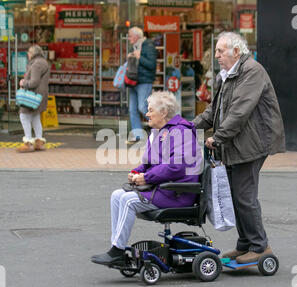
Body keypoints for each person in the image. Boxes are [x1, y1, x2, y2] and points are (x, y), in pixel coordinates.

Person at [192, 32, 285, 264]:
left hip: (252, 143)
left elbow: (240, 112)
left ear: (236, 51)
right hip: (236, 143)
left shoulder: (252, 71)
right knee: (236, 196)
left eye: (220, 51)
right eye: (216, 51)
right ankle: (245, 244)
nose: (216, 56)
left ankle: (260, 247)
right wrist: (184, 126)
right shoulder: (227, 75)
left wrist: (218, 137)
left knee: (244, 196)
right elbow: (213, 112)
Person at [91, 91, 202, 265]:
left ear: (164, 112)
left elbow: (175, 166)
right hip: (165, 188)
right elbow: (149, 163)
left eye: (151, 110)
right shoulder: (159, 132)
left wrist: (147, 178)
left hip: (178, 192)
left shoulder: (181, 132)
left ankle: (117, 251)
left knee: (128, 200)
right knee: (116, 196)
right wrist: (136, 173)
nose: (147, 114)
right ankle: (116, 247)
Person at [126, 27, 157, 144]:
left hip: (144, 81)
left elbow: (152, 65)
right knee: (132, 109)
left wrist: (140, 57)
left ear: (136, 36)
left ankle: (161, 127)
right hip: (132, 81)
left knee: (142, 107)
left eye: (130, 36)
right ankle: (138, 136)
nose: (128, 38)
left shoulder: (148, 46)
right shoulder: (133, 47)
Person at [17, 44, 50, 153]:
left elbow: (34, 82)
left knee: (24, 116)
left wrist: (23, 82)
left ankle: (28, 143)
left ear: (33, 53)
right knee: (35, 117)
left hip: (32, 96)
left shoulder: (36, 64)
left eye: (29, 52)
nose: (27, 54)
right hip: (41, 95)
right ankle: (39, 142)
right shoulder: (44, 62)